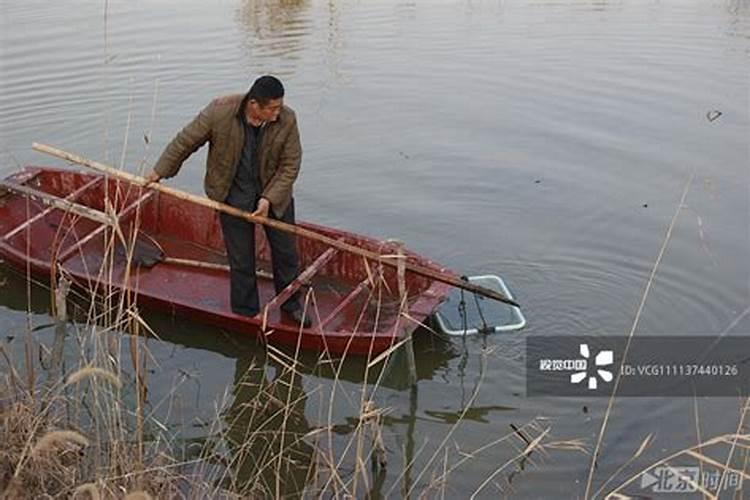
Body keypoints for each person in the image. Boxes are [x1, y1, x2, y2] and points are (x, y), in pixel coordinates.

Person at [146, 75, 310, 327]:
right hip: (233, 194)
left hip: (275, 194)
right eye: (273, 108)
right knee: (241, 258)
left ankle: (291, 305)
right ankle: (246, 313)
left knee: (286, 253)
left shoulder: (287, 119)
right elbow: (185, 142)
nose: (278, 113)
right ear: (254, 105)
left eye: (280, 107)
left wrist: (268, 199)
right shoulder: (219, 112)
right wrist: (159, 172)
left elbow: (290, 165)